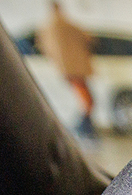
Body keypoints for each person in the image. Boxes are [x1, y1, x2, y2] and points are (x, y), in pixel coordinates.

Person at [36, 1, 95, 137]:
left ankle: (84, 127)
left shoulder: (46, 28)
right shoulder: (67, 24)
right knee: (87, 100)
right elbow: (88, 38)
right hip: (75, 68)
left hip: (65, 68)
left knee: (85, 100)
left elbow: (44, 48)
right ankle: (83, 128)